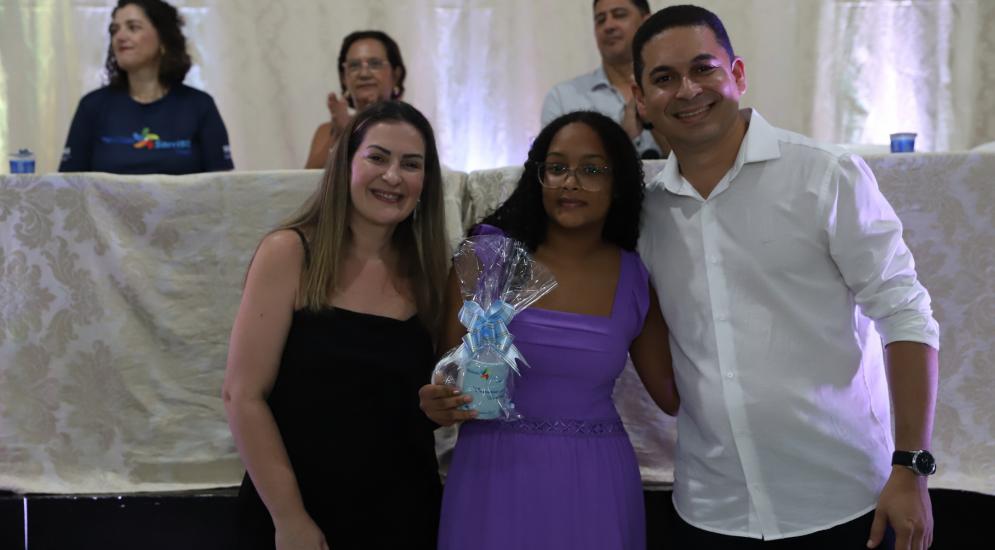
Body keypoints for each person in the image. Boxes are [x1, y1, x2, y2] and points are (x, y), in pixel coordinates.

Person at [632, 5, 939, 549]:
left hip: (842, 499)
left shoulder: (825, 175)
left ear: (737, 74)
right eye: (664, 78)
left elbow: (905, 313)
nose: (687, 90)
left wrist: (911, 465)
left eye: (703, 69)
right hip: (711, 507)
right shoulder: (647, 213)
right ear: (640, 99)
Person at [420, 111, 679, 550]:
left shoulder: (635, 276)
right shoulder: (487, 258)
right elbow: (448, 382)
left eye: (591, 170)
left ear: (618, 183)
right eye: (557, 168)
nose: (570, 182)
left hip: (594, 481)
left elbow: (674, 397)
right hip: (492, 477)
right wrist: (437, 402)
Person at [223, 101, 450, 550]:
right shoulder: (289, 253)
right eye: (378, 157)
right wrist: (290, 519)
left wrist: (441, 406)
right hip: (302, 519)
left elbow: (417, 405)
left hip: (404, 516)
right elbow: (242, 395)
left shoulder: (429, 273)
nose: (392, 176)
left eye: (411, 164)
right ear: (346, 163)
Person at [59, 0, 233, 174]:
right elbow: (69, 184)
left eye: (133, 27)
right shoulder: (92, 106)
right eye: (114, 30)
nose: (120, 37)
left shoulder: (199, 106)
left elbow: (222, 185)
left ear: (163, 39)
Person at [541, 0, 668, 159]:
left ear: (646, 22)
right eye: (600, 20)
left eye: (619, 15)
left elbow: (691, 162)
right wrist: (622, 137)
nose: (608, 26)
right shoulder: (563, 98)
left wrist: (651, 120)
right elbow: (556, 166)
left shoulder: (674, 87)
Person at [304, 30, 406, 169]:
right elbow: (309, 179)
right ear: (343, 78)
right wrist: (341, 135)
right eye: (354, 66)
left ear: (396, 75)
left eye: (375, 64)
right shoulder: (328, 131)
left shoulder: (412, 129)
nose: (364, 74)